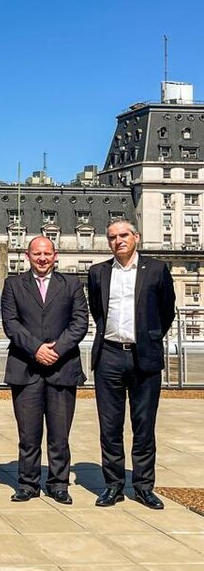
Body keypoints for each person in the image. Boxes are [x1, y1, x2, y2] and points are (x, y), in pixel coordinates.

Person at [88, 217, 176, 509]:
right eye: (113, 237)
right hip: (109, 355)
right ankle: (112, 485)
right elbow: (97, 310)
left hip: (144, 355)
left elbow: (166, 311)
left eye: (124, 235)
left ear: (136, 237)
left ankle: (143, 486)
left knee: (144, 425)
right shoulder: (98, 272)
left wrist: (150, 336)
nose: (119, 241)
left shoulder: (156, 270)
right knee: (109, 426)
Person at [1, 236, 88, 505]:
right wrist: (36, 348)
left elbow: (80, 322)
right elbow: (11, 323)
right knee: (28, 435)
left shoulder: (71, 284)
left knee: (60, 434)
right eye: (37, 254)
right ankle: (27, 483)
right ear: (28, 256)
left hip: (62, 368)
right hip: (26, 368)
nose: (42, 258)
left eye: (47, 254)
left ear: (55, 255)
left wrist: (57, 349)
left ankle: (58, 484)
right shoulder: (13, 284)